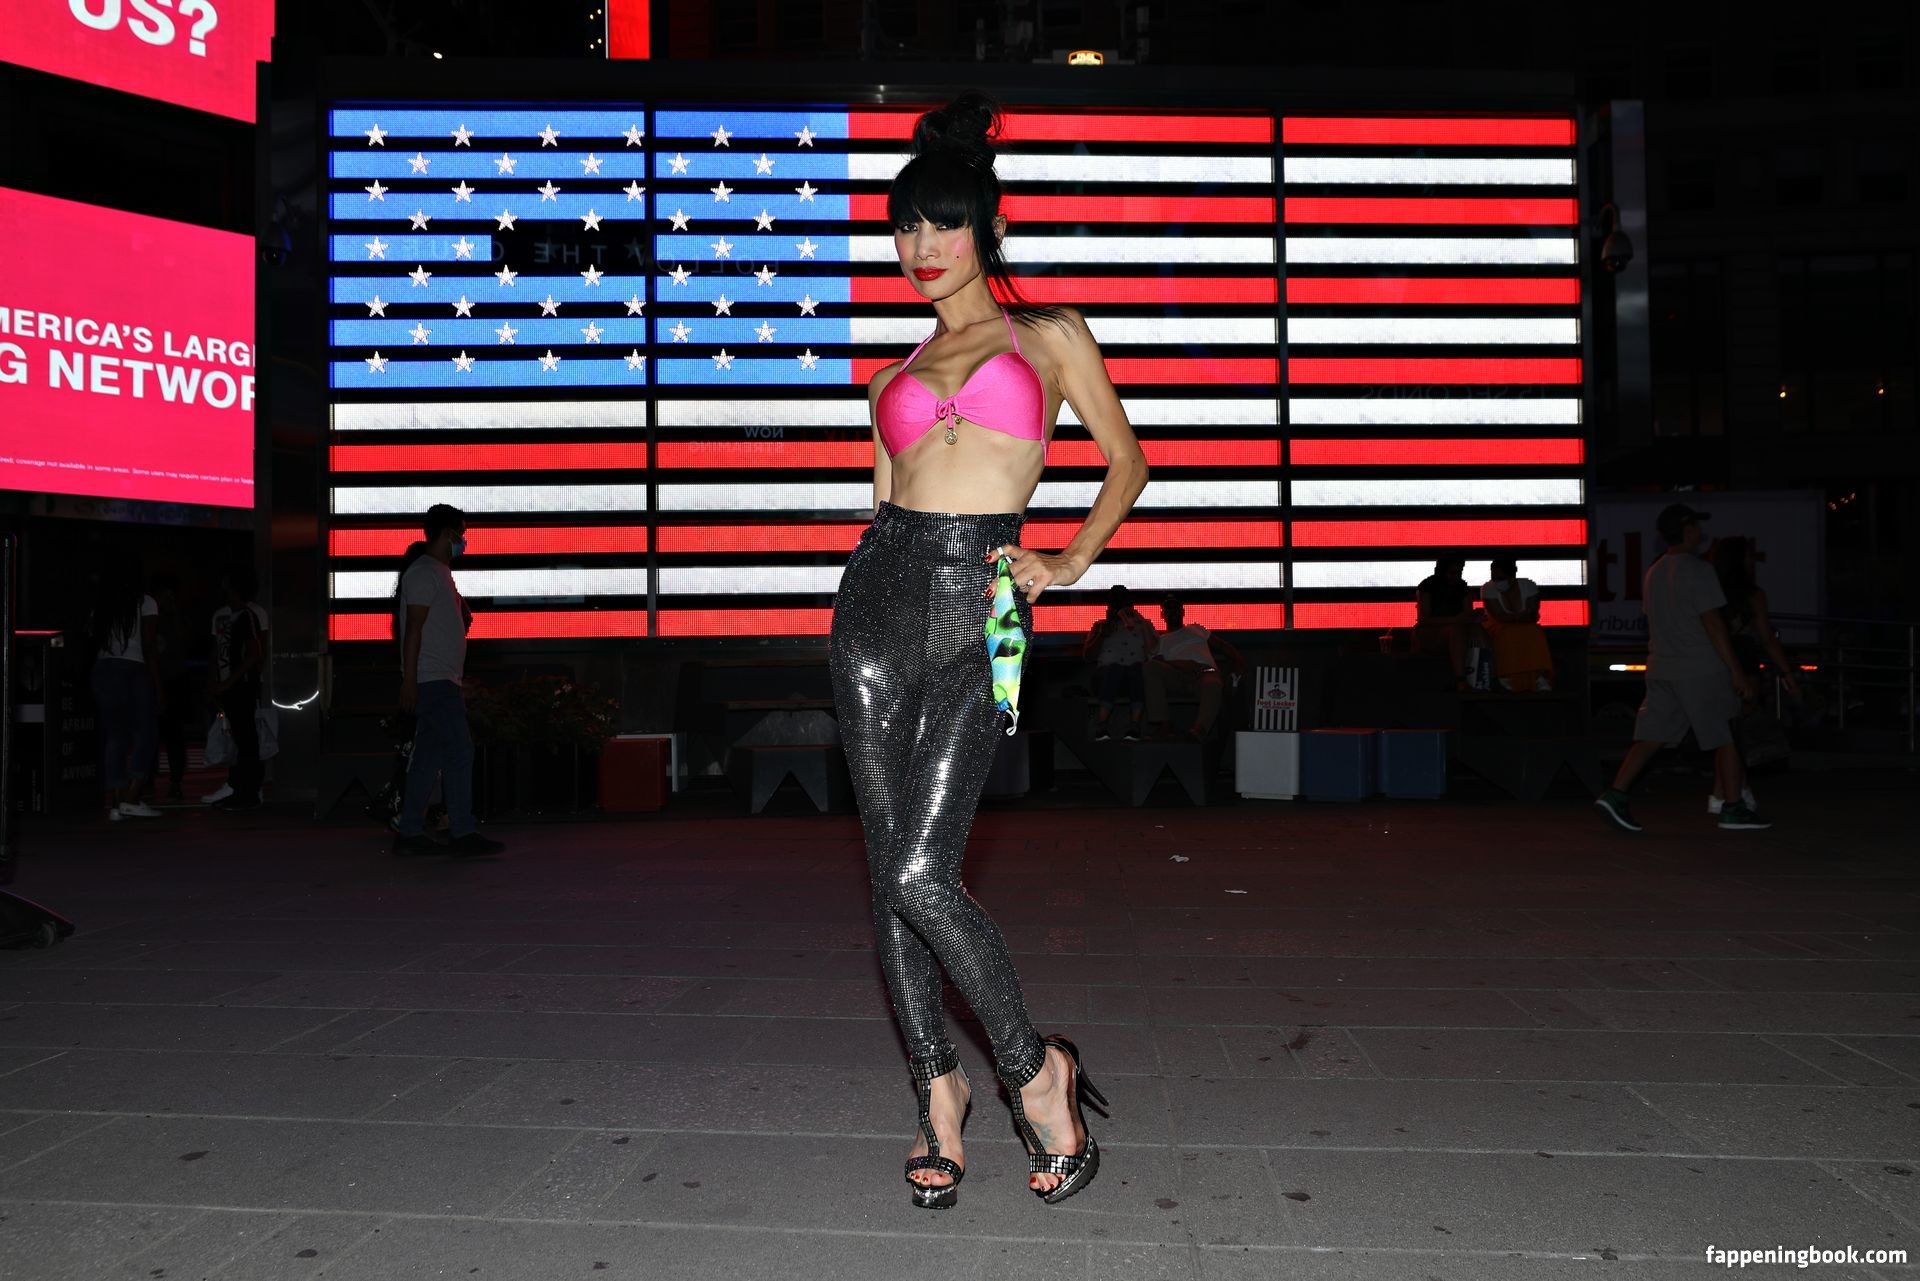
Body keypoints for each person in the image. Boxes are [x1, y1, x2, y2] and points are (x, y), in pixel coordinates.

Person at [828, 92, 1142, 1209]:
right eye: (905, 226)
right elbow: (882, 508)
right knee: (888, 874)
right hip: (875, 603)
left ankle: (1032, 1070)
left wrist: (1070, 560)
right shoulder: (888, 379)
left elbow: (1126, 461)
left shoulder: (1049, 337)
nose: (921, 246)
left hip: (989, 602)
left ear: (988, 229)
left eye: (943, 224)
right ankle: (937, 1091)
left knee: (924, 869)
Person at [1595, 504, 1769, 833]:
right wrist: (1736, 670)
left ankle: (1616, 794)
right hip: (1700, 668)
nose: (1701, 533)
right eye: (1696, 527)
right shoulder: (1699, 570)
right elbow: (1712, 623)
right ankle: (1733, 807)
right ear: (1687, 531)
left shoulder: (1654, 572)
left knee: (1651, 737)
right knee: (1727, 737)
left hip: (1662, 666)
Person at [395, 505, 505, 858]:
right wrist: (410, 680)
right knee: (459, 751)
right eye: (462, 534)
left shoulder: (437, 573)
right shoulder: (425, 573)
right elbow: (413, 629)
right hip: (435, 679)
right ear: (448, 534)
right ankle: (461, 831)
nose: (464, 541)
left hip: (437, 678)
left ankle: (410, 830)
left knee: (429, 757)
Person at [1709, 535, 1801, 815]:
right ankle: (1735, 792)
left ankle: (1722, 792)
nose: (1753, 560)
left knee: (1726, 732)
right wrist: (1787, 674)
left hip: (1713, 661)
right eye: (1749, 556)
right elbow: (1767, 638)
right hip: (1742, 662)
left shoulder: (1710, 590)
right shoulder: (1752, 595)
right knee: (1740, 732)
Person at [88, 561, 163, 821]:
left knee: (115, 735)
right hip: (133, 668)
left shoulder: (102, 605)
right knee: (146, 732)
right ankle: (132, 797)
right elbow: (149, 645)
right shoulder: (146, 602)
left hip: (103, 668)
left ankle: (117, 802)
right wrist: (158, 686)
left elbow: (93, 639)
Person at [206, 566, 268, 810]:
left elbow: (254, 653)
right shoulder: (230, 615)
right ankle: (241, 790)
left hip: (240, 686)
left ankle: (247, 792)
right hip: (232, 686)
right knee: (241, 739)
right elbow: (218, 652)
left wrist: (228, 682)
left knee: (246, 739)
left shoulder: (247, 615)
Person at [1145, 595, 1242, 739]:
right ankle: (1164, 725)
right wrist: (1183, 664)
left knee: (1212, 682)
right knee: (1150, 667)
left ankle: (1199, 730)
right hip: (1176, 675)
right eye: (1168, 609)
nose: (1173, 612)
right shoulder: (1159, 640)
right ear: (1162, 615)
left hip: (1203, 672)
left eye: (1176, 609)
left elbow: (1222, 646)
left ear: (1183, 612)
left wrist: (1238, 663)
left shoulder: (1196, 629)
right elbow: (1155, 661)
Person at [1083, 584, 1157, 740]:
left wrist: (1141, 621)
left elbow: (1154, 651)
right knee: (1114, 669)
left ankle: (1134, 725)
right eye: (1115, 602)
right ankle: (1102, 724)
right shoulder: (1101, 626)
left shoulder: (1142, 625)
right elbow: (1088, 656)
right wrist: (1101, 635)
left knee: (1136, 669)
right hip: (1105, 676)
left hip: (1134, 676)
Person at [149, 570, 194, 802]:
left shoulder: (177, 617)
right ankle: (147, 782)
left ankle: (175, 782)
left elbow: (185, 643)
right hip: (153, 681)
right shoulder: (149, 617)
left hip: (175, 681)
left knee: (174, 735)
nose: (168, 599)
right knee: (150, 734)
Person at [1479, 557, 1555, 692]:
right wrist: (1521, 617)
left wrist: (1514, 618)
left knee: (1535, 632)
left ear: (1512, 576)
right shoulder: (1488, 588)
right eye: (1494, 578)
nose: (1497, 582)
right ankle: (1506, 677)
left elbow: (1533, 615)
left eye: (1501, 578)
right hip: (1497, 627)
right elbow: (1498, 617)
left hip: (1524, 625)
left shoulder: (1528, 586)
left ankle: (1539, 677)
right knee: (1506, 634)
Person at [1414, 557, 1482, 689]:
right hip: (1430, 633)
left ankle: (1487, 675)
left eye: (1460, 572)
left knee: (1476, 629)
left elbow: (1467, 614)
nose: (1456, 576)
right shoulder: (1428, 586)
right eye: (1452, 572)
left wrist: (1474, 617)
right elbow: (1425, 620)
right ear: (1442, 571)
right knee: (1456, 631)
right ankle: (1461, 680)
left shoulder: (1462, 587)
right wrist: (1456, 620)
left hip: (1456, 630)